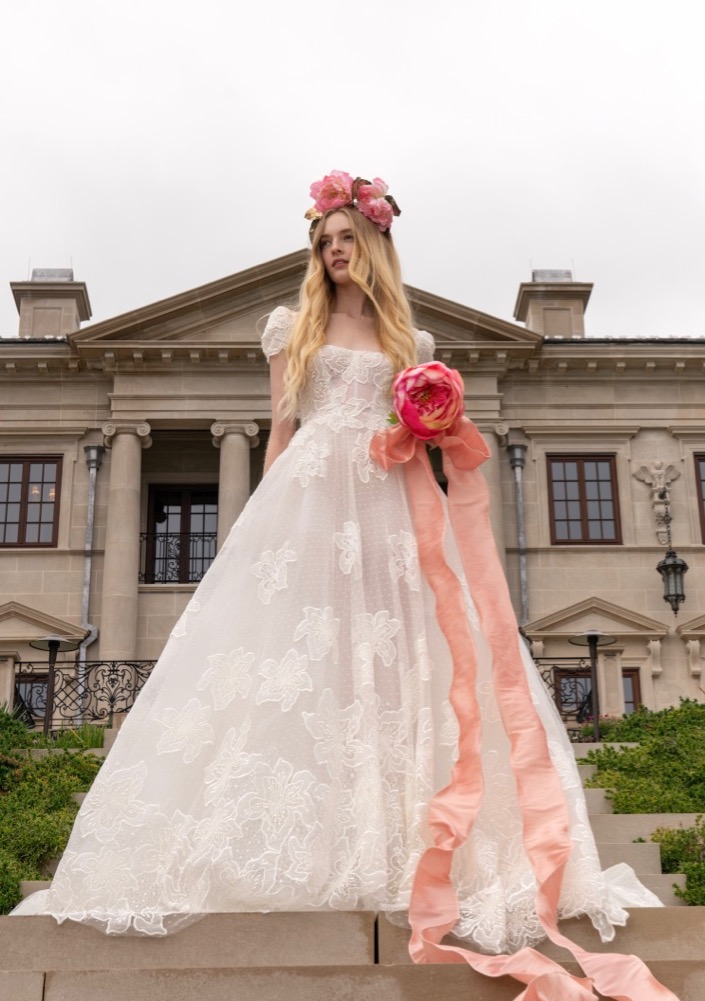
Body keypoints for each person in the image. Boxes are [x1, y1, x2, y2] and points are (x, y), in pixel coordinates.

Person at [12, 172, 676, 1000]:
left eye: (346, 241)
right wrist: (264, 538)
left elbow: (431, 441)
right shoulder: (289, 329)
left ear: (374, 246)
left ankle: (416, 848)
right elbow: (282, 430)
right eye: (324, 243)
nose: (334, 253)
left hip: (393, 505)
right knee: (305, 664)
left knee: (410, 662)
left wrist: (427, 429)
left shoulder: (415, 345)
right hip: (313, 502)